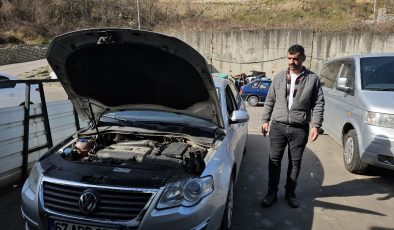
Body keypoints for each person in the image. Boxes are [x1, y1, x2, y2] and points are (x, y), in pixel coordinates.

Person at [260, 44, 325, 208]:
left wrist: (316, 125)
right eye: (289, 58)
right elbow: (270, 100)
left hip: (299, 128)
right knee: (274, 161)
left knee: (295, 162)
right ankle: (271, 193)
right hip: (278, 126)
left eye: (295, 59)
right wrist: (265, 120)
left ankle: (290, 193)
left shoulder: (312, 79)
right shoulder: (279, 77)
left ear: (303, 58)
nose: (292, 62)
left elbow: (318, 103)